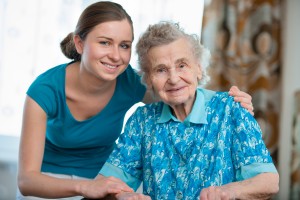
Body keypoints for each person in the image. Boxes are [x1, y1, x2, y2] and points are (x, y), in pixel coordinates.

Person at [17, 1, 254, 200]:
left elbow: (179, 92)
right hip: (50, 184)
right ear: (80, 44)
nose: (116, 56)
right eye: (104, 42)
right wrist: (85, 186)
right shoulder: (45, 90)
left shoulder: (130, 82)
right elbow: (27, 180)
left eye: (124, 46)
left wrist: (231, 105)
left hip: (106, 183)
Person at [98, 21, 279, 200]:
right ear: (149, 79)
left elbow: (268, 181)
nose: (174, 79)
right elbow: (106, 183)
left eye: (182, 65)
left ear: (198, 69)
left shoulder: (230, 108)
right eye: (161, 70)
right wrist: (123, 197)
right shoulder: (142, 120)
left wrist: (230, 191)